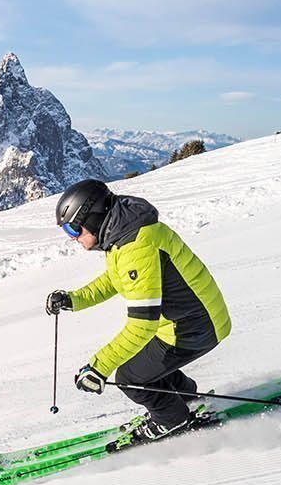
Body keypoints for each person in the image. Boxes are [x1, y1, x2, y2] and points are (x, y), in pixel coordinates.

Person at [45, 179, 231, 439]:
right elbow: (115, 278)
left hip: (193, 326)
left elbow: (143, 324)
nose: (73, 238)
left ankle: (172, 419)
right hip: (189, 320)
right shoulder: (124, 234)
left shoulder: (135, 246)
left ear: (94, 218)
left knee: (129, 377)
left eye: (73, 229)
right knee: (144, 366)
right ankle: (185, 400)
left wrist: (98, 368)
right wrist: (74, 299)